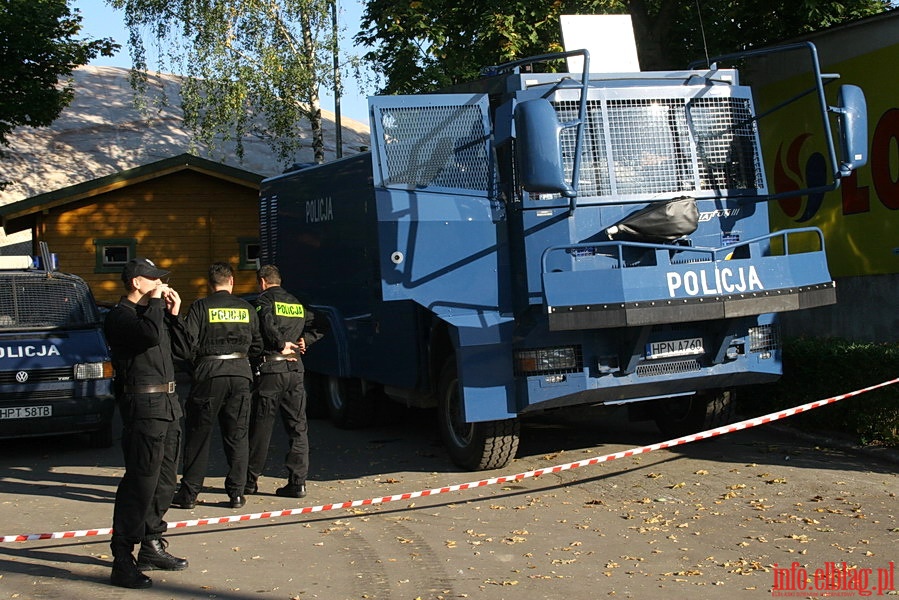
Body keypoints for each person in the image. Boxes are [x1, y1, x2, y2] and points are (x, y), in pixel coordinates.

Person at [104, 257, 192, 589]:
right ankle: (122, 558)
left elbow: (184, 350)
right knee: (141, 483)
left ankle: (153, 543)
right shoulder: (121, 317)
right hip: (143, 406)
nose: (159, 284)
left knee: (166, 481)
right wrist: (156, 303)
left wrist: (173, 312)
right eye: (153, 280)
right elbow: (150, 337)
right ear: (137, 282)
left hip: (168, 405)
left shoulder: (154, 316)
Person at [172, 262, 262, 510]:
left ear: (210, 284)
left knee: (199, 435)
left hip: (209, 374)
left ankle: (189, 494)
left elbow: (187, 345)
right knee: (238, 436)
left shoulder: (201, 306)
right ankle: (236, 494)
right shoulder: (246, 308)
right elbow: (257, 345)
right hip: (241, 374)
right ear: (231, 281)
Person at [246, 264, 324, 498]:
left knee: (261, 427)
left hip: (271, 368)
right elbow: (321, 323)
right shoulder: (296, 303)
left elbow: (267, 323)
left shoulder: (264, 300)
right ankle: (298, 482)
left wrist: (280, 342)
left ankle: (249, 481)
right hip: (295, 369)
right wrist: (306, 340)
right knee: (298, 427)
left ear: (262, 282)